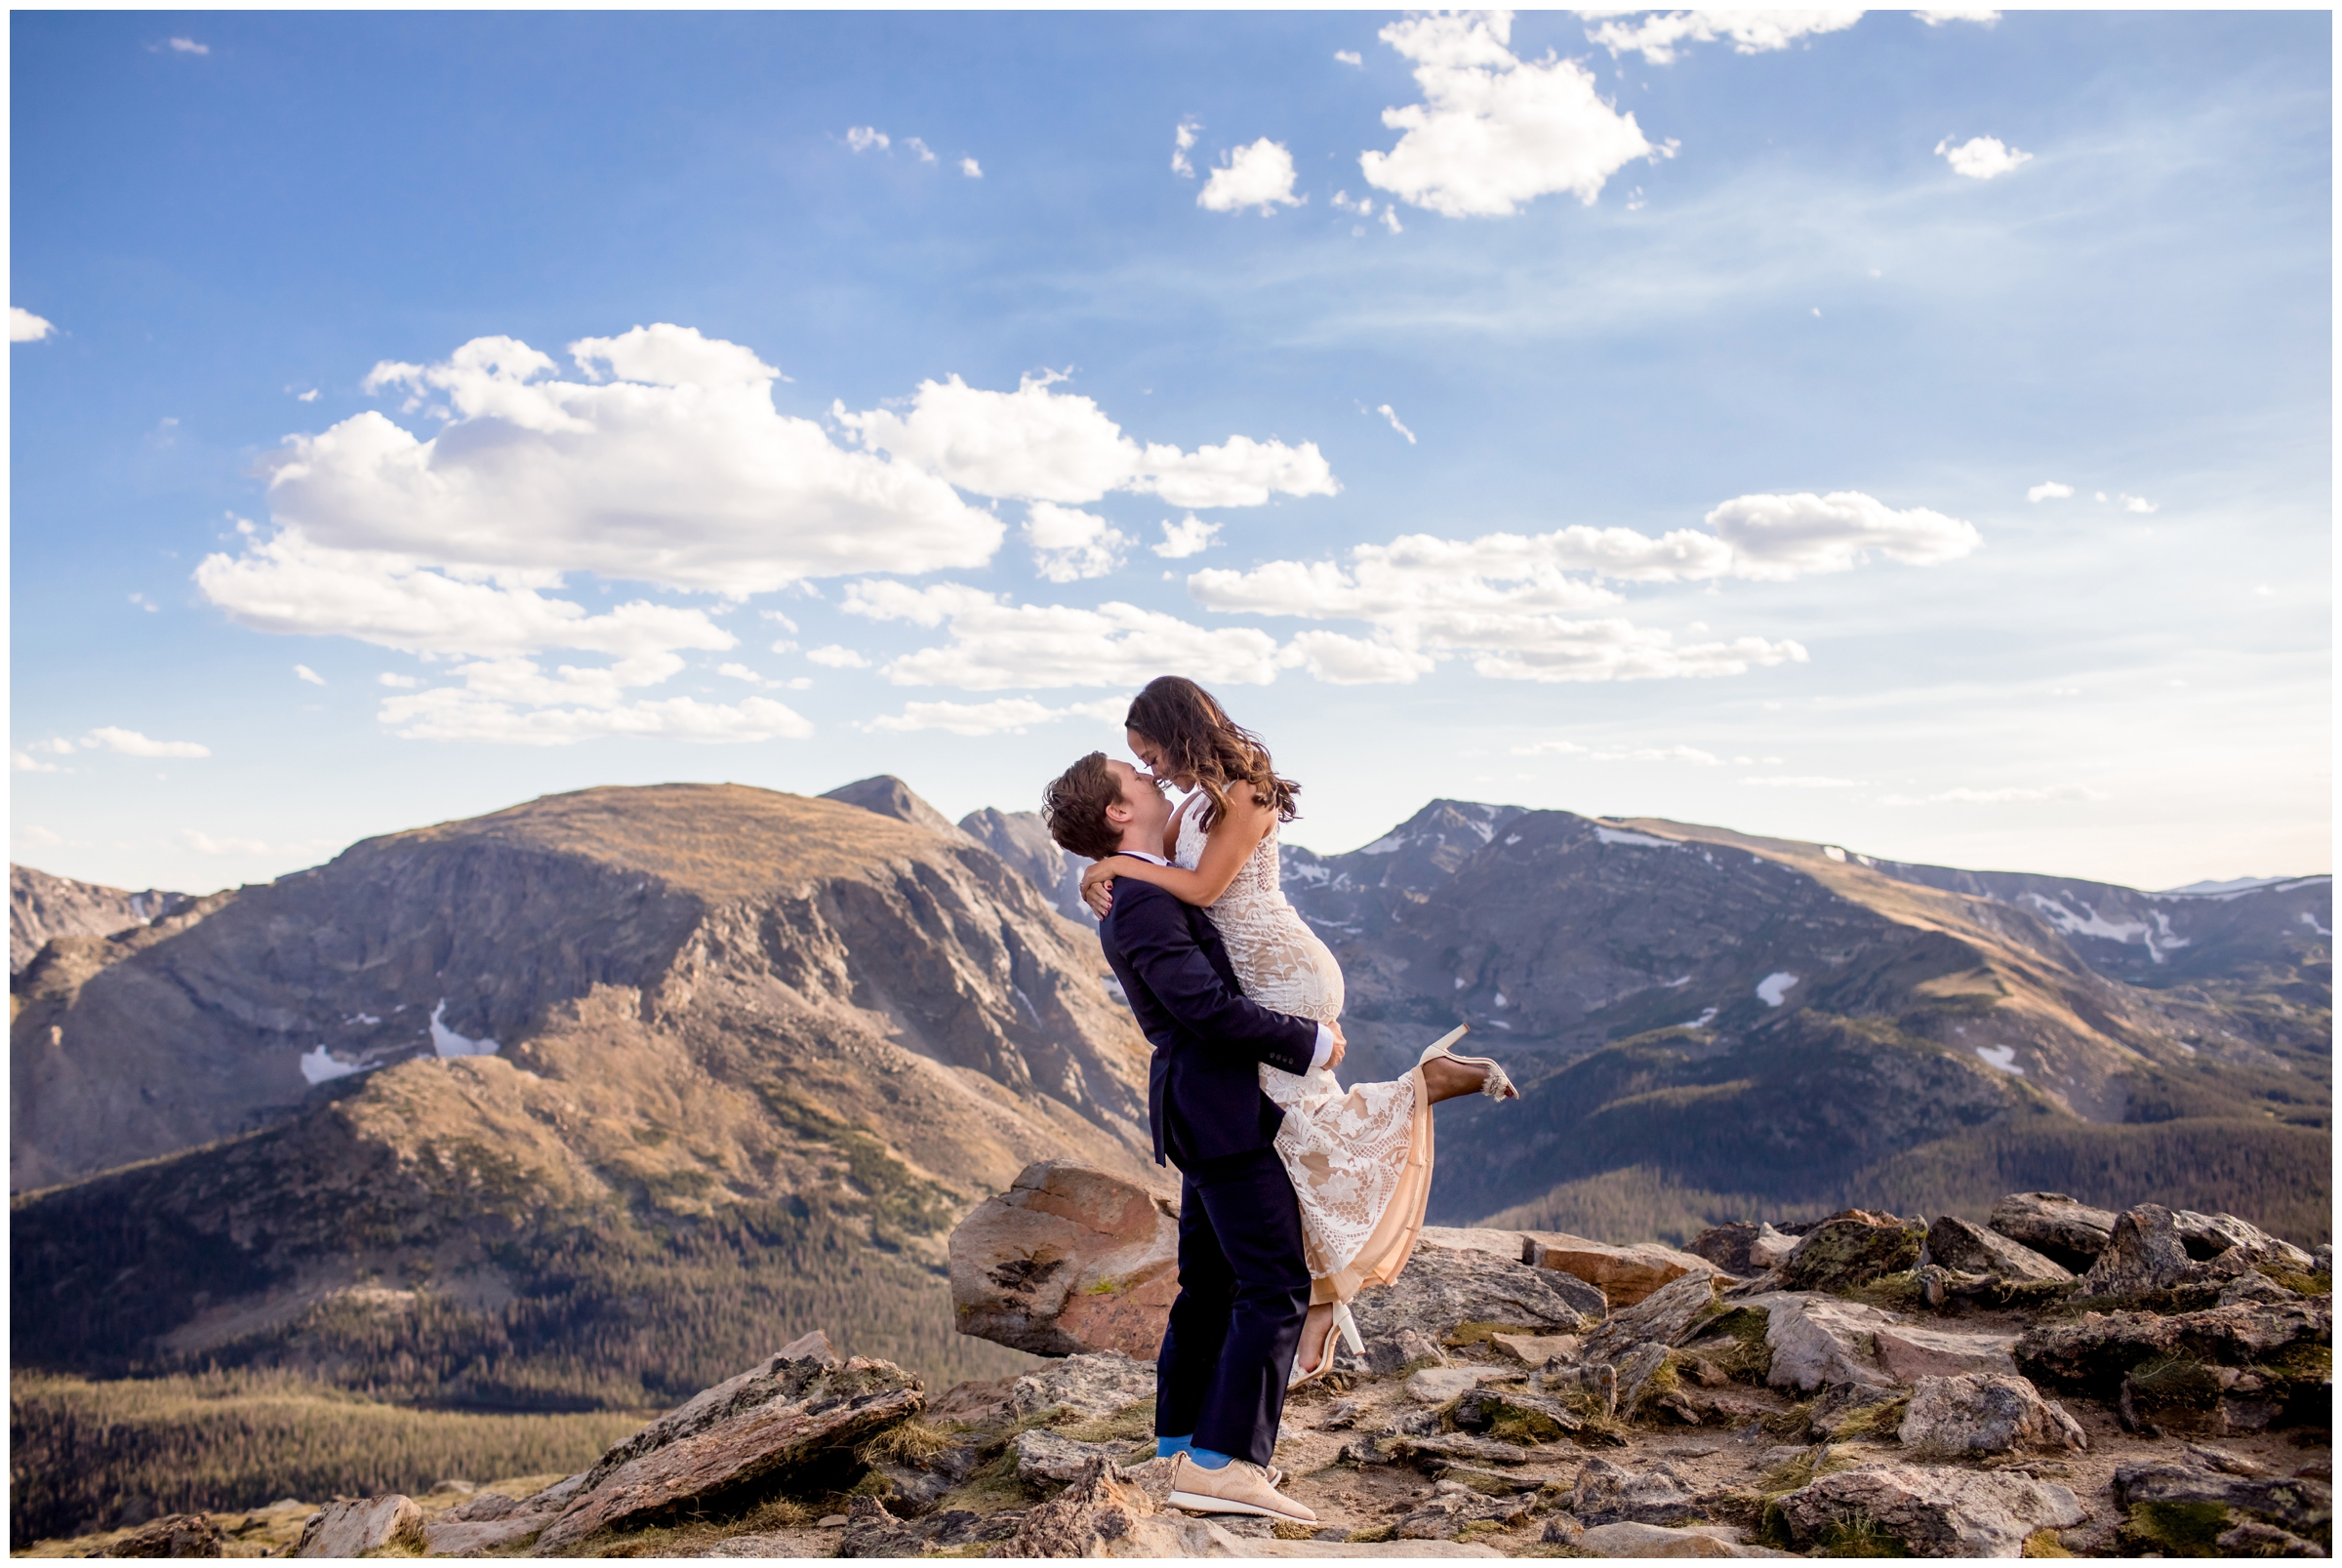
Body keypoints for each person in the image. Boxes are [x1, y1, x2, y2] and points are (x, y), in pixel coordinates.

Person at [1077, 676, 1519, 1387]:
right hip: (1244, 975)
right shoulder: (1187, 803)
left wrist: (1107, 865)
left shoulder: (1246, 793)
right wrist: (1104, 868)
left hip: (1278, 969)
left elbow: (1199, 890)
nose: (1152, 767)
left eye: (1151, 750)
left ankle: (1322, 1288)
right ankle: (1320, 1301)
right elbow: (1153, 867)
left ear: (1181, 731)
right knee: (1283, 1140)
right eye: (1141, 759)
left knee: (1283, 1132)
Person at [1041, 749, 1330, 1526]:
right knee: (1274, 1282)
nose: (1157, 781)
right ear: (1116, 811)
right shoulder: (1139, 900)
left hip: (1203, 1110)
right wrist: (1309, 1042)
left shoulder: (1135, 886)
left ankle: (1177, 1446)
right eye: (1139, 780)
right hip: (1220, 1108)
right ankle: (1226, 1464)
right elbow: (1205, 1010)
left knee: (1212, 1283)